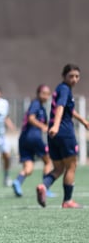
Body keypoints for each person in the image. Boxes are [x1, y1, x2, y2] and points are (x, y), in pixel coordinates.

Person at [36, 64, 89, 208]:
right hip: (64, 133)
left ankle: (43, 186)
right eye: (71, 76)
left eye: (77, 76)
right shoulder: (65, 90)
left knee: (58, 168)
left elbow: (68, 110)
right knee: (71, 166)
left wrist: (83, 121)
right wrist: (57, 126)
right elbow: (60, 107)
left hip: (53, 135)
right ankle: (67, 201)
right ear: (64, 76)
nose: (74, 79)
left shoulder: (60, 88)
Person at [12, 85, 54, 197]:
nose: (46, 96)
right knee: (48, 161)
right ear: (38, 94)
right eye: (43, 93)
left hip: (23, 139)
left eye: (48, 93)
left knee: (28, 168)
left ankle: (17, 181)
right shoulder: (36, 104)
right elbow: (31, 118)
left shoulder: (42, 108)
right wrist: (42, 127)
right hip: (33, 137)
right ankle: (46, 188)